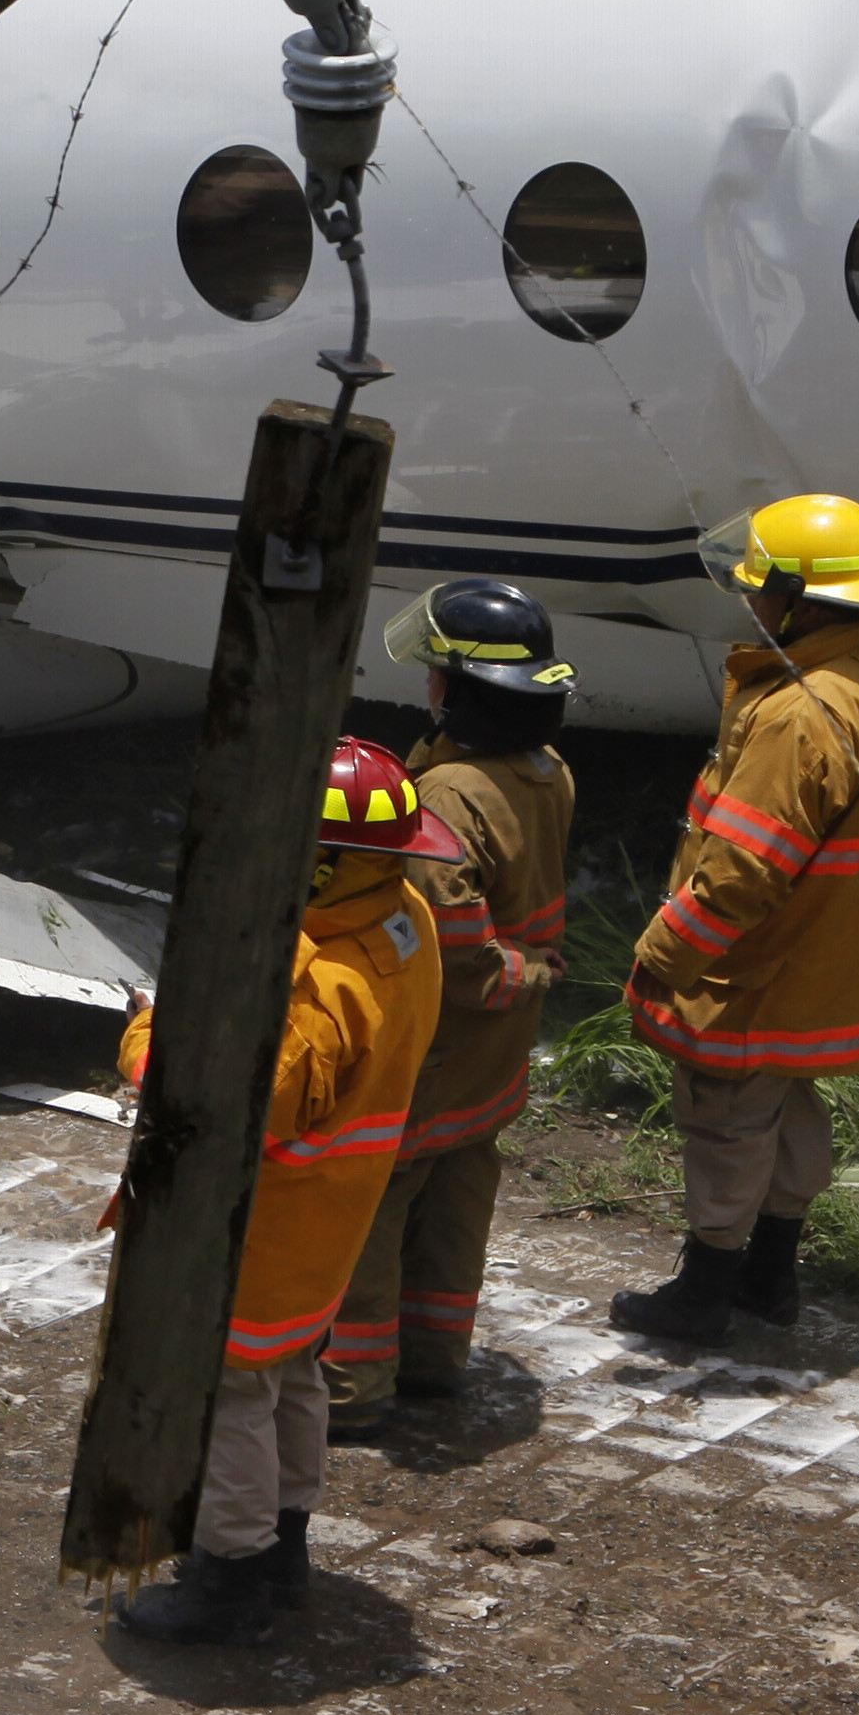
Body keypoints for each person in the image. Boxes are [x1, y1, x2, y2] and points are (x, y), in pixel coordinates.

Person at [109, 742, 455, 1648]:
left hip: (256, 1228)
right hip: (325, 1223)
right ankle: (283, 1547)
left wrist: (153, 1028)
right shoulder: (400, 919)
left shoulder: (313, 991)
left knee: (222, 1395)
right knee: (291, 1371)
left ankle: (227, 1574)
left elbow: (223, 1107)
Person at [610, 493, 859, 1346]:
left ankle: (704, 1292)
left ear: (802, 598)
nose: (750, 602)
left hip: (755, 964)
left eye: (760, 588)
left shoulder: (798, 712)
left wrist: (666, 954)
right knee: (789, 1110)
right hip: (826, 959)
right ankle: (770, 1278)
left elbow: (743, 867)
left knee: (725, 1120)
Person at [325, 581, 577, 1436]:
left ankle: (351, 1390)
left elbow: (457, 953)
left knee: (374, 1206)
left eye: (437, 669)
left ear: (459, 689)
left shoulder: (445, 800)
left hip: (436, 1049)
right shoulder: (546, 773)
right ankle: (433, 1361)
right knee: (457, 1200)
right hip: (492, 1057)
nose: (426, 684)